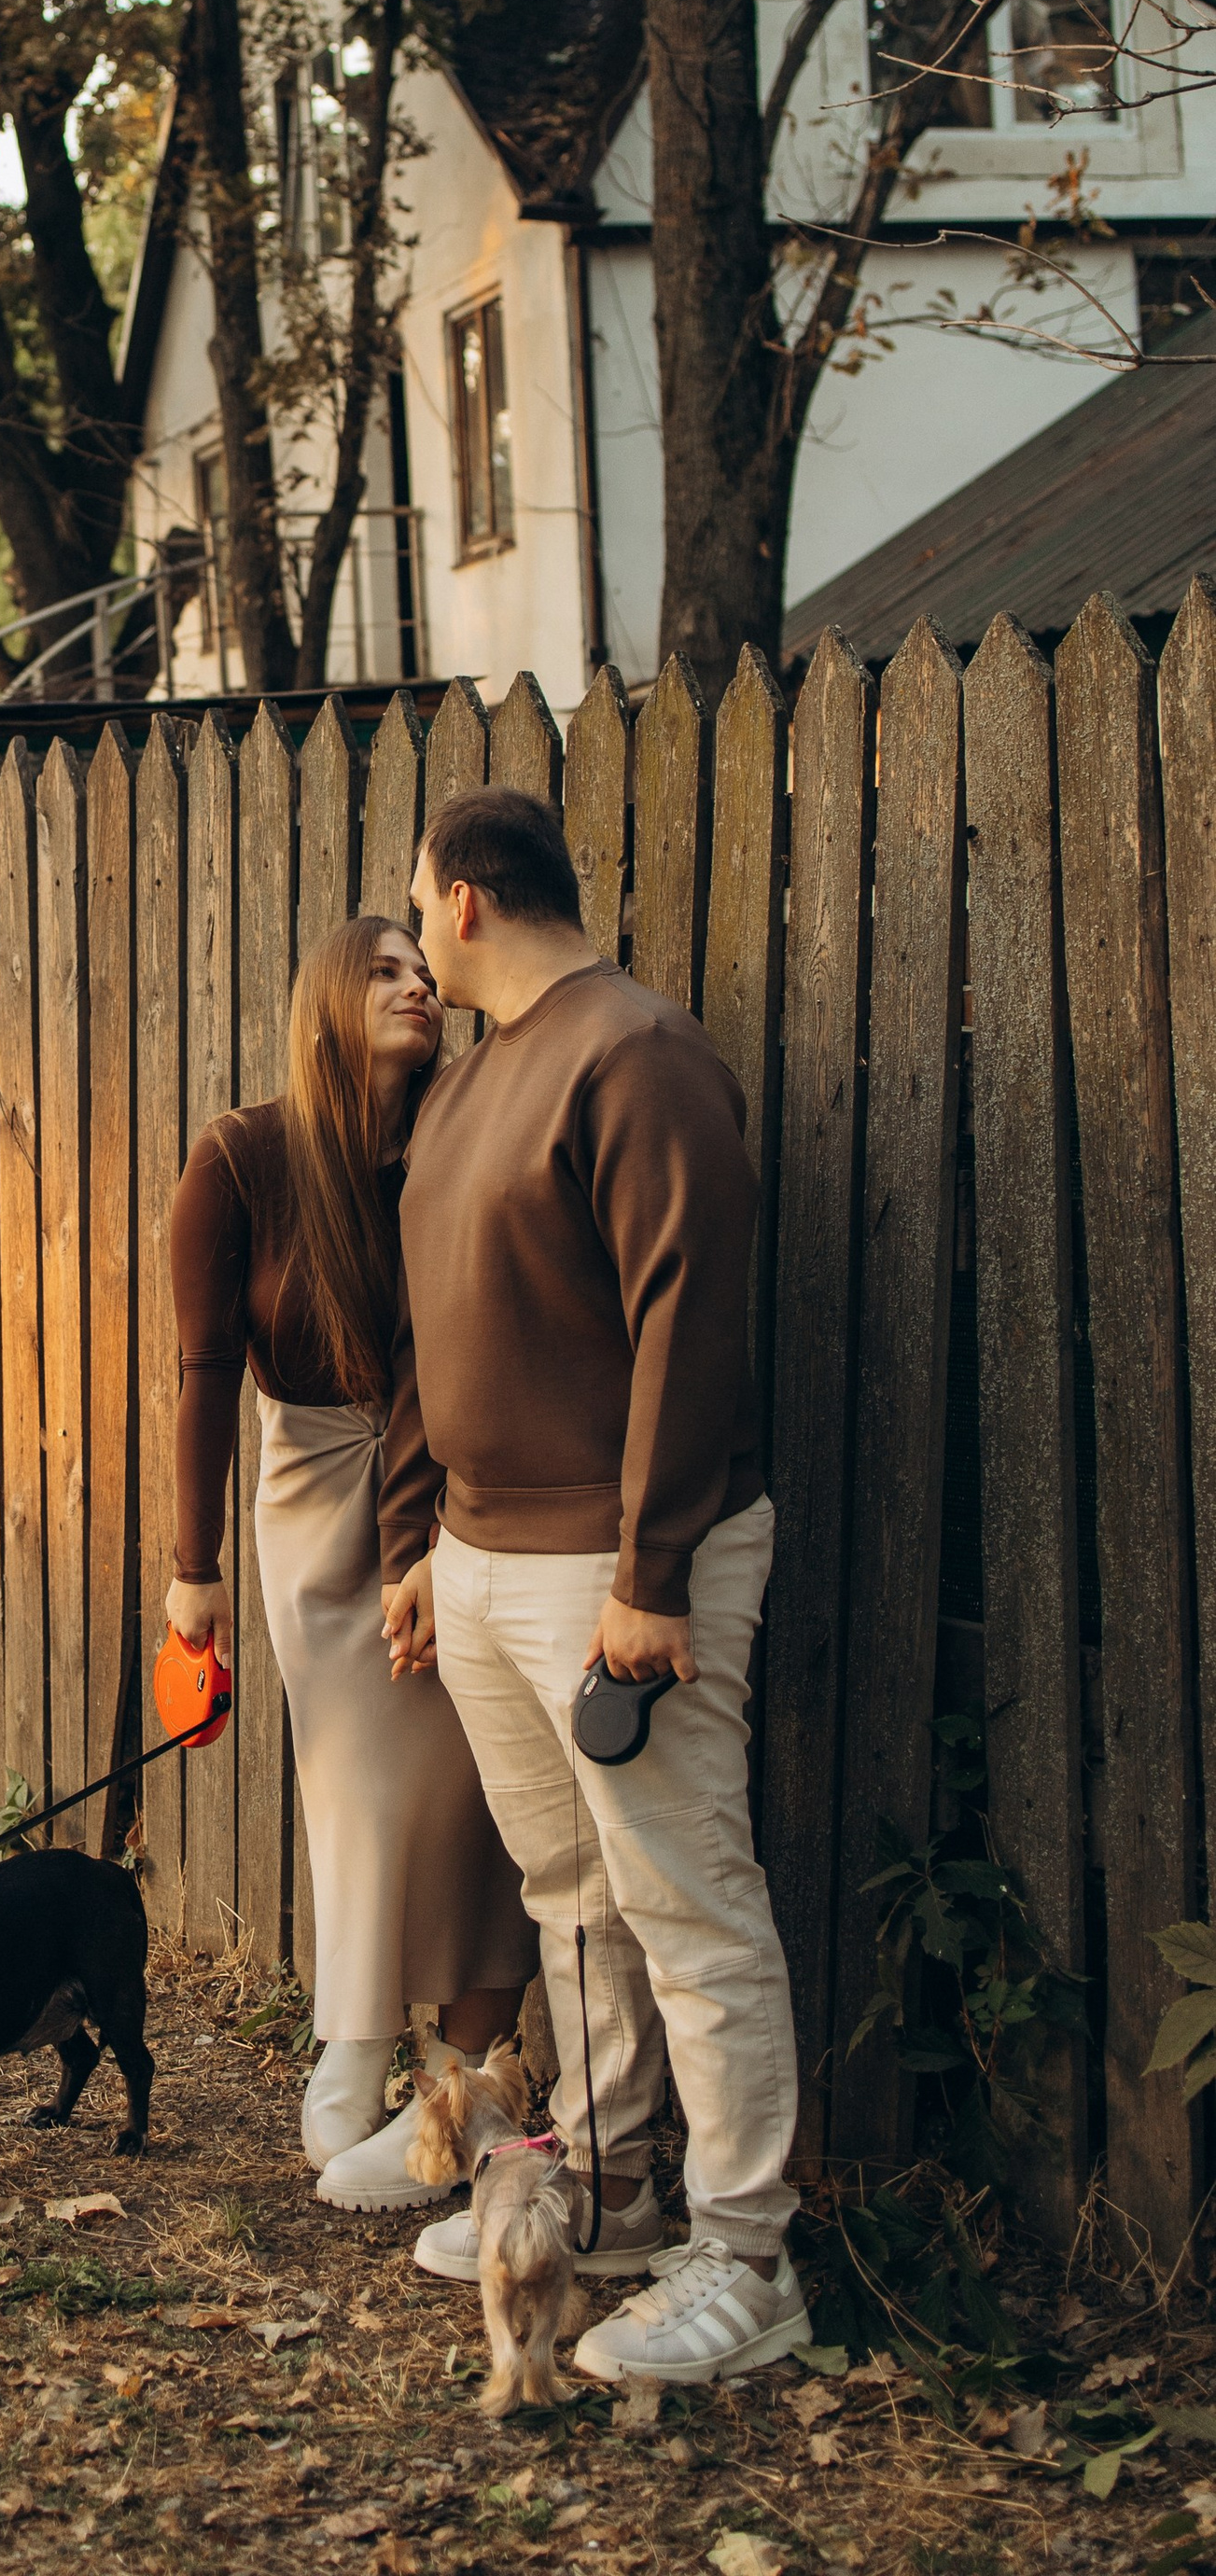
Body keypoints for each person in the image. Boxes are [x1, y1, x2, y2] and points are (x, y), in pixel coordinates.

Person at [380, 786, 805, 2383]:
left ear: (470, 897)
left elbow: (690, 1311)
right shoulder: (474, 1084)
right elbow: (441, 1325)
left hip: (617, 1574)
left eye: (422, 904)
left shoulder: (641, 1054)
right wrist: (428, 1538)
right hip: (487, 1562)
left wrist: (656, 1566)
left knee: (688, 1901)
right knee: (568, 1898)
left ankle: (752, 2259)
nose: (418, 934)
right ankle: (613, 2190)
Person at [168, 911, 536, 2210]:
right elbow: (208, 1369)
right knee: (360, 1789)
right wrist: (191, 1566)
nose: (418, 987)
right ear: (328, 997)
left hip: (452, 1487)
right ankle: (360, 2036)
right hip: (311, 1496)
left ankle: (456, 2072)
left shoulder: (459, 1126)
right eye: (384, 971)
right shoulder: (243, 1156)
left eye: (424, 970)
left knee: (481, 1783)